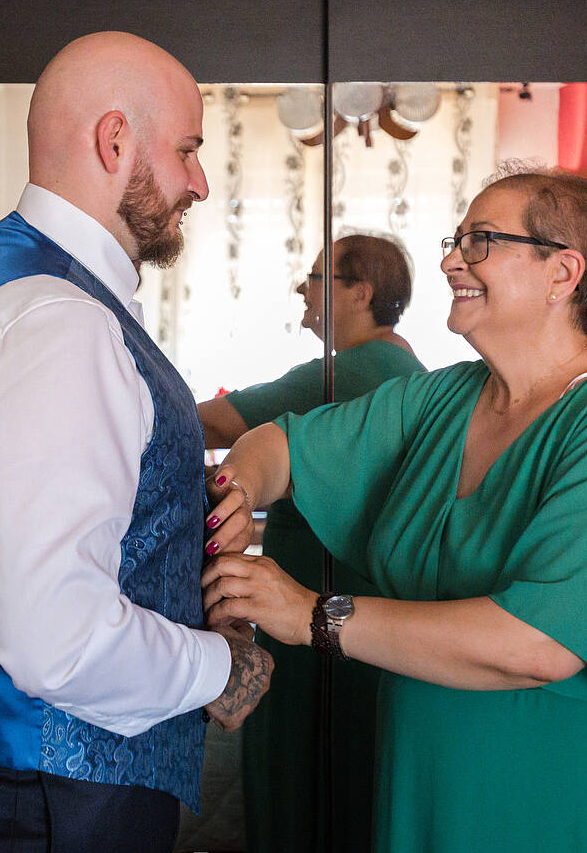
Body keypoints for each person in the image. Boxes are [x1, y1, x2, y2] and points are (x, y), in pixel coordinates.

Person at [200, 167, 587, 851]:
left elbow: (540, 644)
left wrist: (312, 615)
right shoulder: (445, 398)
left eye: (480, 242)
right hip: (429, 783)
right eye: (455, 240)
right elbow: (281, 444)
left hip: (563, 798)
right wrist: (238, 492)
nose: (448, 261)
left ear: (562, 273)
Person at [0, 31, 272, 853]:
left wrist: (183, 512)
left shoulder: (35, 283)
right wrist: (220, 669)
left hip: (24, 784)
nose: (199, 181)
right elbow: (55, 638)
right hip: (36, 794)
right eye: (188, 150)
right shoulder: (60, 321)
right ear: (115, 139)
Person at [197, 233, 423, 853]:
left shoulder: (346, 371)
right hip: (373, 603)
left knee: (299, 769)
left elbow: (218, 422)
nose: (304, 288)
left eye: (319, 276)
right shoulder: (408, 369)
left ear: (361, 292)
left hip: (314, 605)